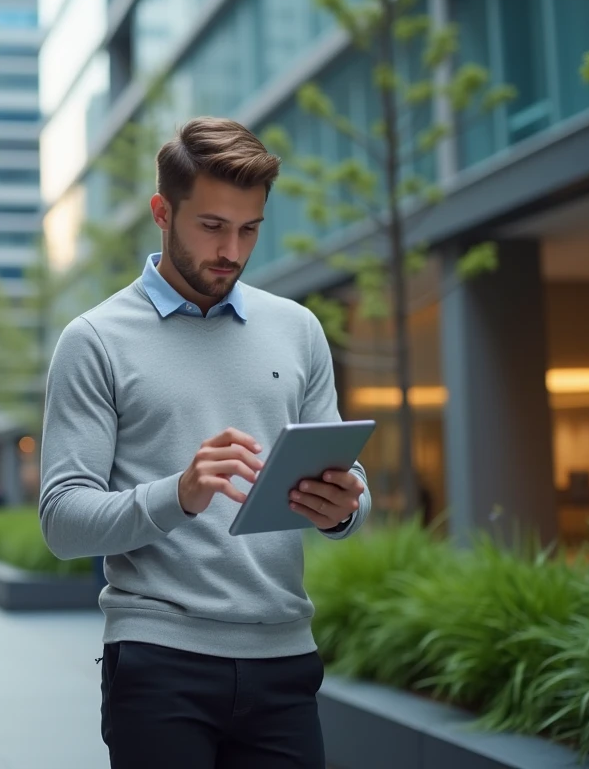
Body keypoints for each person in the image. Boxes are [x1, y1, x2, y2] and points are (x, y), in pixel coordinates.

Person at [38, 117, 371, 769]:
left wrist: (347, 507)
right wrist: (179, 495)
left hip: (284, 658)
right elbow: (62, 521)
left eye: (250, 229)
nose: (233, 250)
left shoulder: (298, 329)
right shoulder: (95, 340)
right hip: (159, 661)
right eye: (212, 226)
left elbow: (345, 473)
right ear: (163, 212)